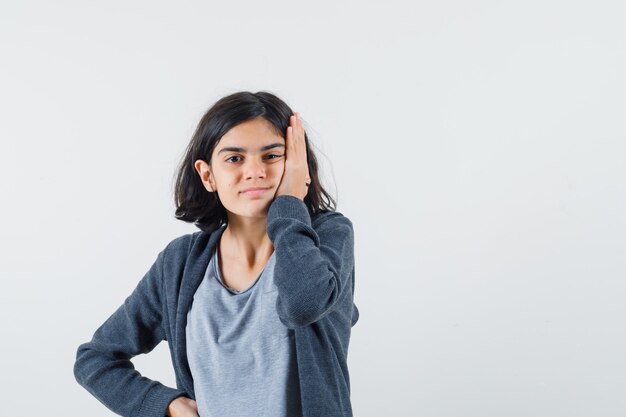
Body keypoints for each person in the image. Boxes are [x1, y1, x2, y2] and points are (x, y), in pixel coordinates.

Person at [73, 91, 360, 417]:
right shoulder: (179, 264)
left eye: (272, 156)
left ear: (297, 165)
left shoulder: (327, 236)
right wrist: (166, 405)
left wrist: (290, 205)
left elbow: (304, 303)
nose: (255, 171)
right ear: (207, 174)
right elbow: (95, 359)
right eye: (234, 158)